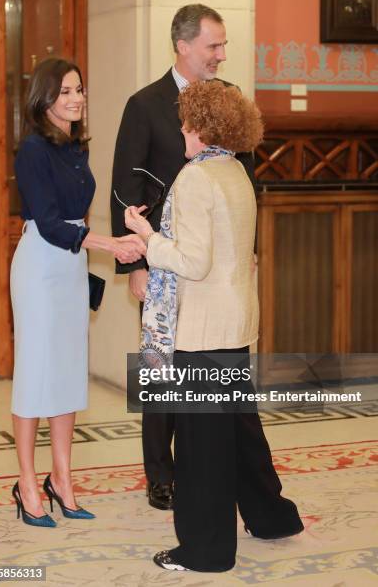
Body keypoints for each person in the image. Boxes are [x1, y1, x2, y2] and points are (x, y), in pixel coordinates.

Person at [125, 80, 304, 572]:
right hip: (235, 322)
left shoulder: (196, 178)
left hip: (203, 329)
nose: (181, 128)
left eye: (186, 120)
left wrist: (147, 238)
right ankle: (273, 518)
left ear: (202, 127)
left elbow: (193, 261)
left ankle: (205, 550)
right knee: (239, 431)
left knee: (202, 448)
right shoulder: (234, 171)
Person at [111, 3, 256, 511]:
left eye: (223, 45)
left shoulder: (232, 100)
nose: (221, 54)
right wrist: (135, 264)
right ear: (184, 45)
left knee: (216, 371)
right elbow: (125, 186)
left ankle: (220, 469)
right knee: (162, 368)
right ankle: (161, 474)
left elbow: (247, 182)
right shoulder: (145, 103)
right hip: (165, 263)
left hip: (214, 270)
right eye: (213, 45)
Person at [10, 57, 145, 528]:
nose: (76, 98)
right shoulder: (32, 149)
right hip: (40, 264)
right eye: (65, 91)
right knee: (34, 374)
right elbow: (47, 223)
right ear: (43, 98)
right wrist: (108, 244)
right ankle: (27, 482)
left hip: (71, 264)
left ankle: (62, 479)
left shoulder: (75, 148)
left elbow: (76, 218)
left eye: (79, 90)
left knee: (67, 372)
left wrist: (118, 232)